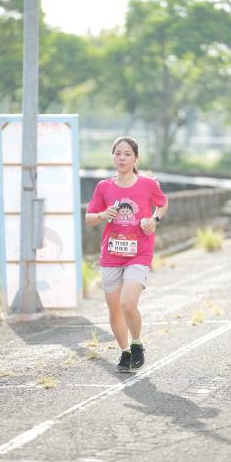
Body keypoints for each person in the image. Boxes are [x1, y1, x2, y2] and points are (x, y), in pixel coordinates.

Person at [85, 136, 168, 372]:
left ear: (135, 158)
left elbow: (162, 204)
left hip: (138, 253)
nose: (122, 158)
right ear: (113, 156)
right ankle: (124, 352)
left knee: (127, 304)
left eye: (127, 154)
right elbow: (89, 218)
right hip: (111, 254)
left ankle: (137, 342)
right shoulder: (104, 187)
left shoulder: (148, 184)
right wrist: (103, 215)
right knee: (114, 309)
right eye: (118, 153)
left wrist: (154, 219)